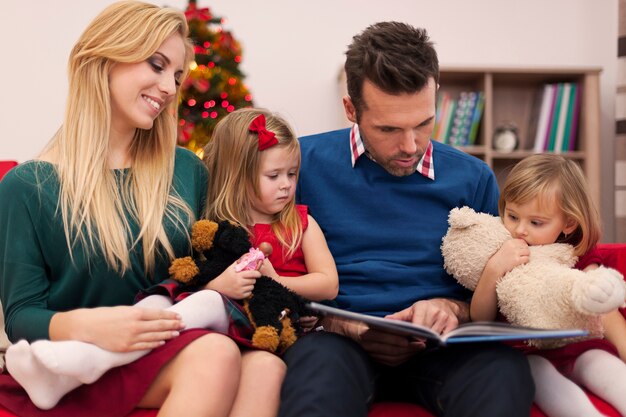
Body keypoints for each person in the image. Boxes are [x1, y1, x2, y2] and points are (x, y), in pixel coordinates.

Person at [0, 2, 281, 417]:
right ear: (103, 59)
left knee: (266, 367)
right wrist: (93, 325)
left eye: (177, 76)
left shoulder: (186, 170)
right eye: (156, 65)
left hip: (168, 344)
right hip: (74, 366)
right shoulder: (27, 187)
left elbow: (204, 269)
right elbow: (21, 315)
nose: (169, 87)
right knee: (216, 356)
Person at [279, 21, 535, 417]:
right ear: (351, 109)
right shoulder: (299, 167)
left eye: (423, 123)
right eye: (389, 129)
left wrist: (451, 309)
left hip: (444, 347)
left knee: (503, 370)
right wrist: (345, 327)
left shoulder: (474, 178)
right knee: (316, 374)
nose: (410, 146)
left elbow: (497, 291)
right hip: (337, 343)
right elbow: (269, 273)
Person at [471, 154, 626, 417]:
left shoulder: (577, 254)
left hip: (580, 347)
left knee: (606, 367)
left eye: (535, 222)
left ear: (568, 223)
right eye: (512, 216)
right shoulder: (500, 249)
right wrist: (494, 269)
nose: (520, 230)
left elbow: (602, 305)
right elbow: (479, 317)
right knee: (538, 375)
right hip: (525, 354)